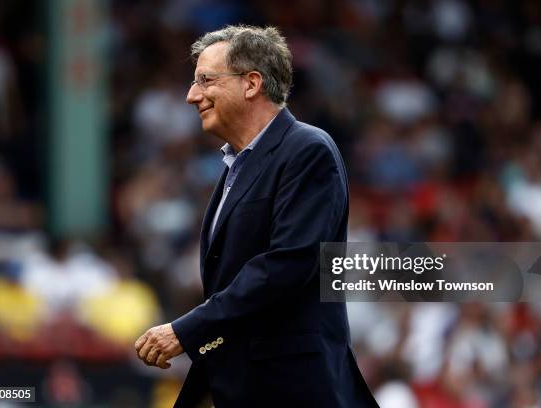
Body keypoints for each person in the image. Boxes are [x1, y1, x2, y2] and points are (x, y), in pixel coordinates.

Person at [135, 25, 378, 407]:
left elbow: (287, 264)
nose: (191, 95)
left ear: (251, 84)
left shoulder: (307, 150)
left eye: (206, 80)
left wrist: (187, 330)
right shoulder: (235, 168)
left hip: (293, 388)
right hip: (242, 384)